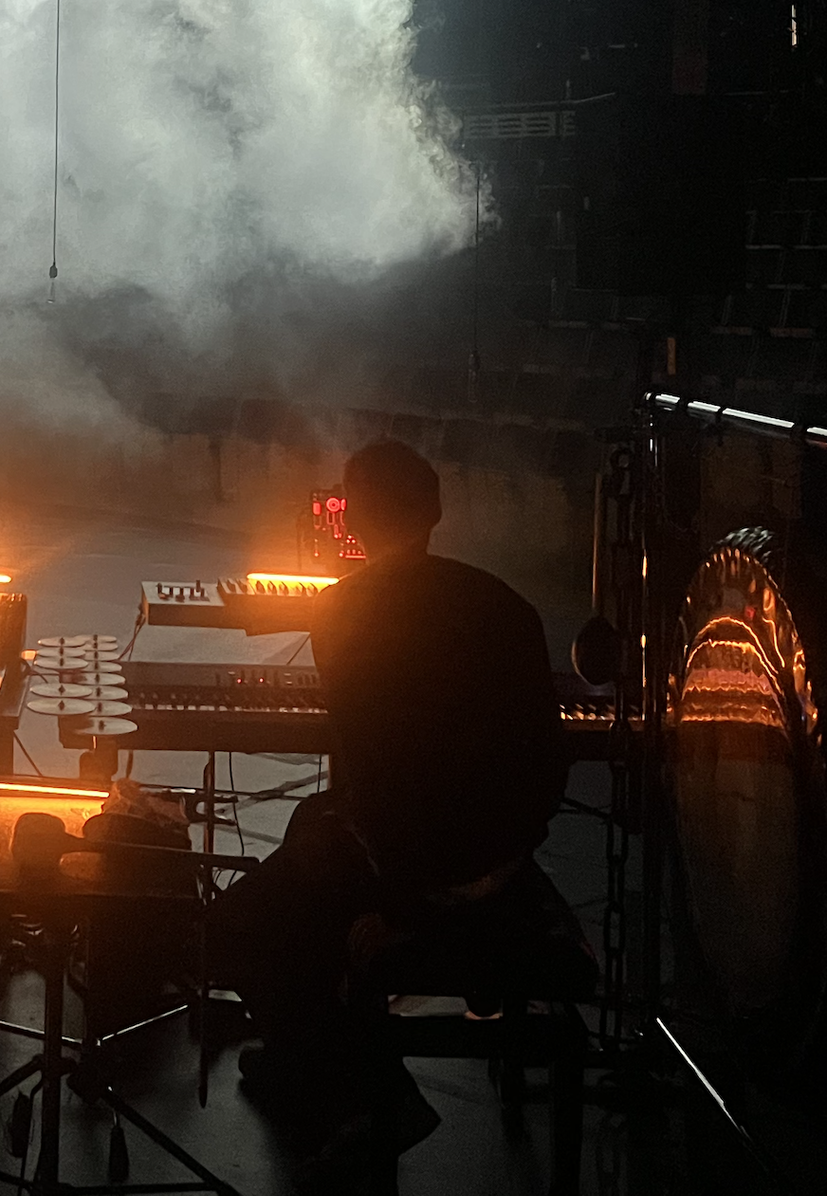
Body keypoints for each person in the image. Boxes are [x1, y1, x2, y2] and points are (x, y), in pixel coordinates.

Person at [209, 437, 571, 1177]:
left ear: (350, 520)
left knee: (237, 921)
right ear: (434, 512)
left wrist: (397, 906)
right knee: (310, 827)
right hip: (501, 857)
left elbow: (383, 777)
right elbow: (542, 766)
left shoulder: (347, 609)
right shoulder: (507, 605)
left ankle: (360, 1097)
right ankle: (299, 1062)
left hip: (419, 863)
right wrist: (501, 862)